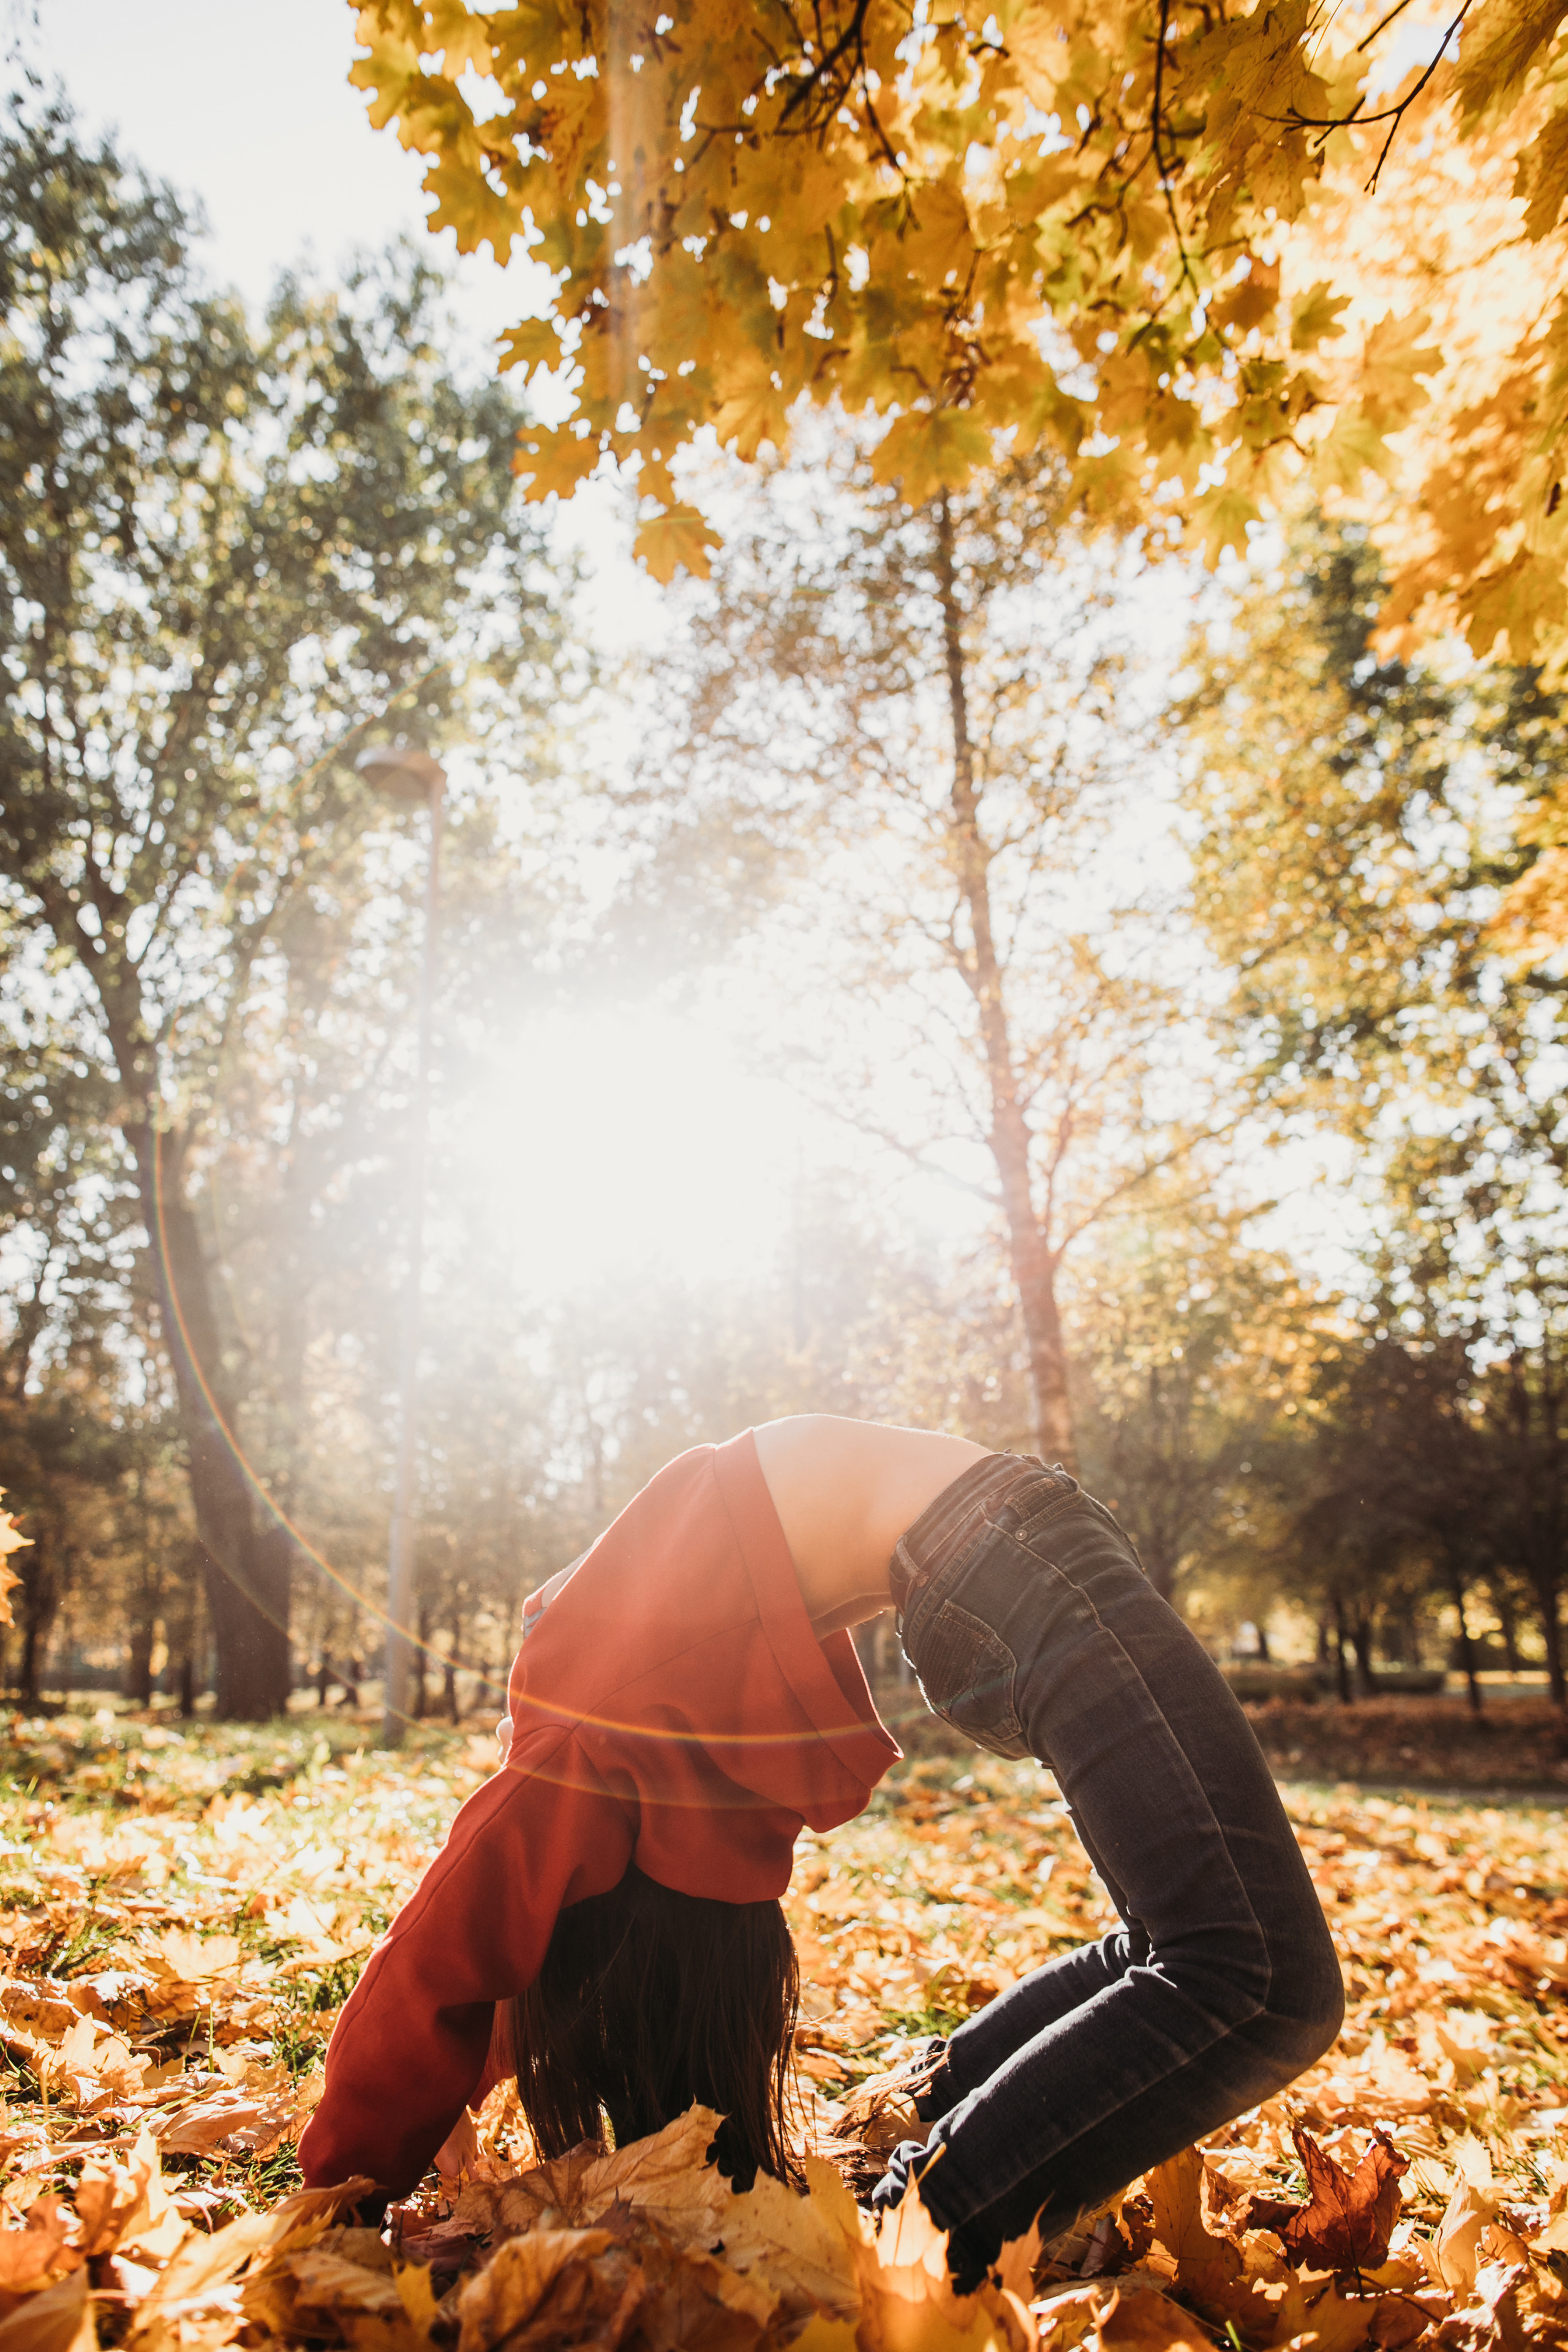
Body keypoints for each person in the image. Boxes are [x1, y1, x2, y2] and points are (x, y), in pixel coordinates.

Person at [299, 1419, 1343, 2283]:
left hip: (988, 1557)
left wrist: (385, 2147)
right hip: (1004, 1552)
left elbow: (480, 1934)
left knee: (1198, 1950)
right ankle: (912, 2238)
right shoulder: (590, 1720)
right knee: (1254, 1976)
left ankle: (913, 2124)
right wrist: (355, 2177)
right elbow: (473, 1944)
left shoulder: (581, 1712)